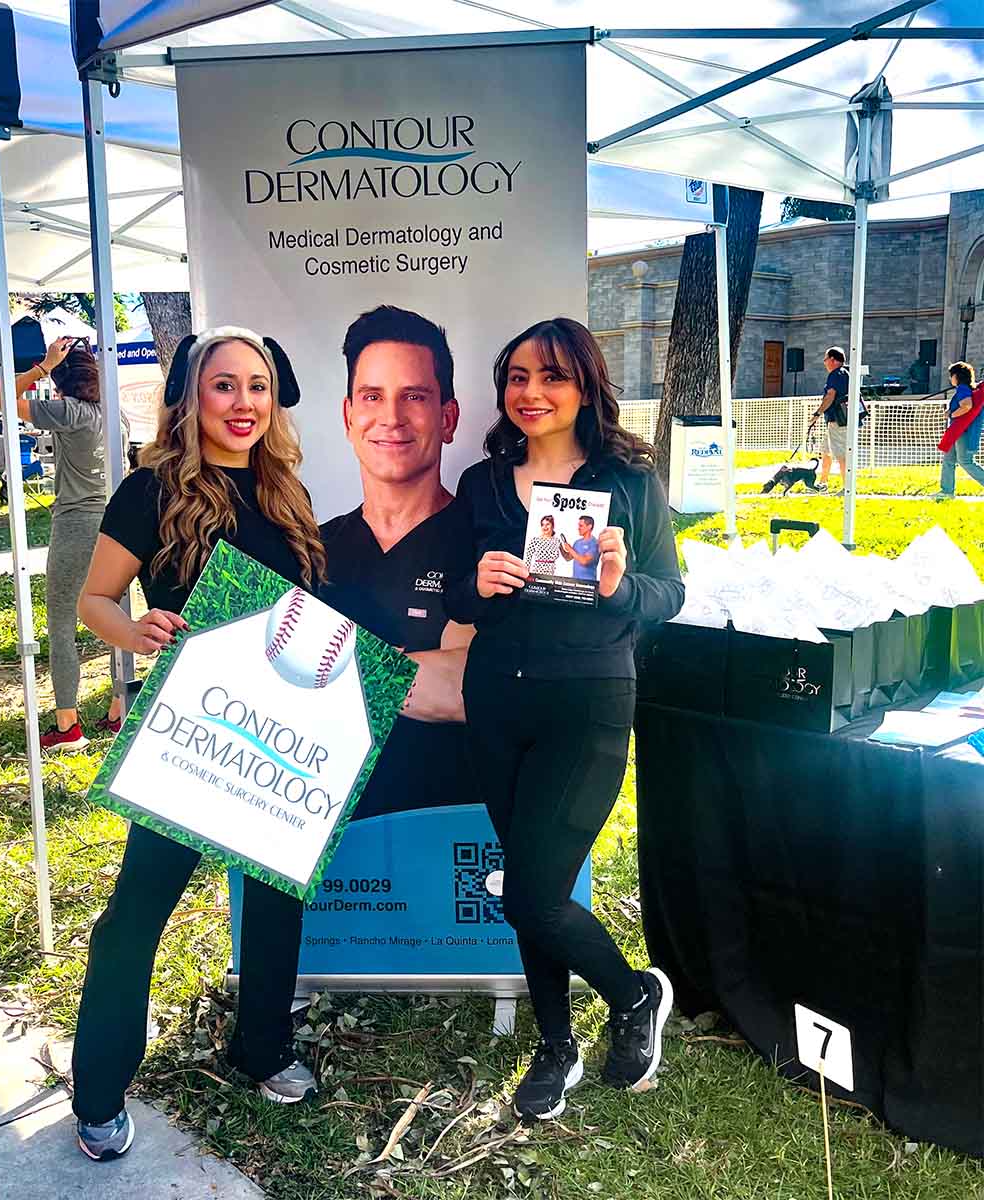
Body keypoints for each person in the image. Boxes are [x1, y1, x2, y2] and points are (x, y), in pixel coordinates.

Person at [71, 327, 327, 1162]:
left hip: (279, 723)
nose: (244, 403)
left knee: (277, 896)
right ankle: (99, 1087)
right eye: (225, 386)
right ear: (190, 398)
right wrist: (137, 627)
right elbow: (95, 602)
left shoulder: (286, 488)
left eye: (258, 386)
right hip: (188, 724)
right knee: (139, 907)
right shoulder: (149, 490)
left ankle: (265, 1049)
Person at [447, 317, 683, 1122]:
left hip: (587, 702)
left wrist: (618, 586)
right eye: (517, 376)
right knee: (526, 882)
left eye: (551, 377)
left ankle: (632, 994)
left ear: (585, 385)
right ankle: (556, 1043)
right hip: (497, 700)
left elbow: (669, 594)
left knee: (535, 893)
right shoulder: (481, 484)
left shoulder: (629, 481)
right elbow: (451, 595)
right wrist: (475, 584)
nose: (531, 393)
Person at [320, 305, 475, 820]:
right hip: (322, 836)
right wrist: (416, 666)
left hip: (448, 828)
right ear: (348, 417)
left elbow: (471, 689)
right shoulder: (307, 549)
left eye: (414, 396)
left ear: (447, 418)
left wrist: (325, 671)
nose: (391, 417)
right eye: (372, 397)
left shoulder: (489, 546)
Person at [12, 337, 122, 749]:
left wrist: (42, 365)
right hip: (114, 524)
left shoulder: (69, 411)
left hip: (76, 522)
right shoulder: (113, 417)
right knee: (115, 619)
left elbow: (5, 400)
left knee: (61, 622)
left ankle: (66, 724)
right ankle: (118, 709)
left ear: (62, 381)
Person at [937, 360, 984, 497]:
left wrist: (951, 413)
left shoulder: (962, 388)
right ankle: (946, 491)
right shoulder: (969, 388)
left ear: (957, 376)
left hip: (961, 431)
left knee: (966, 462)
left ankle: (947, 491)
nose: (950, 378)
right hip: (958, 430)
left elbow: (966, 406)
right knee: (949, 460)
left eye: (951, 375)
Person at [809, 346, 851, 491]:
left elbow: (830, 396)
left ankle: (848, 487)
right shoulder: (845, 373)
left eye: (825, 359)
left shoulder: (835, 374)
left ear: (832, 360)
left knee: (841, 454)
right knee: (826, 451)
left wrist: (817, 414)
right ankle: (823, 483)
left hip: (838, 421)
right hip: (837, 420)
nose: (824, 362)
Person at [562, 514, 599, 582]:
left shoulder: (595, 543)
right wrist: (560, 546)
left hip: (588, 583)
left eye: (581, 526)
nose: (578, 528)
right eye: (578, 525)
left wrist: (570, 549)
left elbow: (584, 561)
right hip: (575, 582)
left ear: (589, 527)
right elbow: (568, 558)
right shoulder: (577, 542)